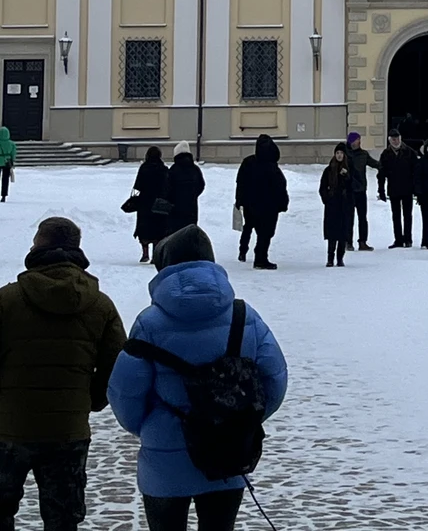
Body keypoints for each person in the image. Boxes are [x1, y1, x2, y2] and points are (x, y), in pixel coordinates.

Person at [107, 225, 287, 531]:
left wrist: (151, 427)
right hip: (227, 452)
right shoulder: (245, 316)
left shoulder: (149, 323)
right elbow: (275, 380)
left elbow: (125, 394)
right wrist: (240, 417)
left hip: (164, 458)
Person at [0, 216, 126, 531]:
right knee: (63, 519)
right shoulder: (100, 305)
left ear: (38, 247)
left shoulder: (6, 300)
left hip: (8, 429)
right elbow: (116, 364)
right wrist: (89, 401)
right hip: (68, 431)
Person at [234, 135, 289, 270]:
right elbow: (280, 186)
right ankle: (260, 258)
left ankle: (244, 250)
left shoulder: (249, 162)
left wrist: (239, 200)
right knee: (265, 233)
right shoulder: (271, 166)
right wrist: (283, 203)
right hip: (269, 206)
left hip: (250, 204)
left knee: (249, 227)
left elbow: (240, 183)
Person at [378, 129, 419, 248]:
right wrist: (381, 190)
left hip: (407, 188)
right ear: (390, 140)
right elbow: (381, 173)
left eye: (397, 139)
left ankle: (408, 239)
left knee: (407, 215)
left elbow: (416, 171)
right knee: (395, 215)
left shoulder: (409, 152)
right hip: (394, 188)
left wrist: (416, 188)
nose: (396, 141)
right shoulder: (385, 154)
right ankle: (398, 239)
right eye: (393, 139)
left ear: (401, 139)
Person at [132, 146, 170, 262]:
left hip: (145, 202)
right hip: (159, 203)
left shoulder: (144, 168)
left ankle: (145, 254)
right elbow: (168, 186)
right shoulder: (164, 169)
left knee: (144, 229)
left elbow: (137, 185)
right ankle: (155, 255)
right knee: (158, 230)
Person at [343, 132, 379, 251]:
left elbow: (375, 164)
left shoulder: (363, 154)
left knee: (362, 217)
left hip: (361, 190)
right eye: (356, 140)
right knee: (349, 217)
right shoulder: (345, 155)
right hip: (348, 190)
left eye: (359, 140)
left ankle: (363, 241)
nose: (358, 142)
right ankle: (348, 241)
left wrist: (387, 167)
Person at [319, 144, 353, 267]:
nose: (339, 155)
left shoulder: (348, 169)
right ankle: (330, 258)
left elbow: (351, 188)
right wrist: (327, 199)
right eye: (337, 153)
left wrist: (346, 177)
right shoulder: (328, 170)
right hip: (332, 206)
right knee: (332, 234)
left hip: (344, 206)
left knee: (343, 234)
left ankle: (340, 258)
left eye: (341, 153)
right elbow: (322, 188)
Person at [165, 142, 204, 236]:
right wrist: (193, 195)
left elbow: (167, 188)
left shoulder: (173, 170)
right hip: (192, 208)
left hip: (176, 209)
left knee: (176, 236)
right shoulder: (195, 169)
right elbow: (201, 185)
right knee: (190, 234)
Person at [0, 126, 15, 203]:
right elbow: (13, 154)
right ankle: (3, 196)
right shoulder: (11, 144)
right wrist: (12, 161)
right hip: (7, 162)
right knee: (5, 179)